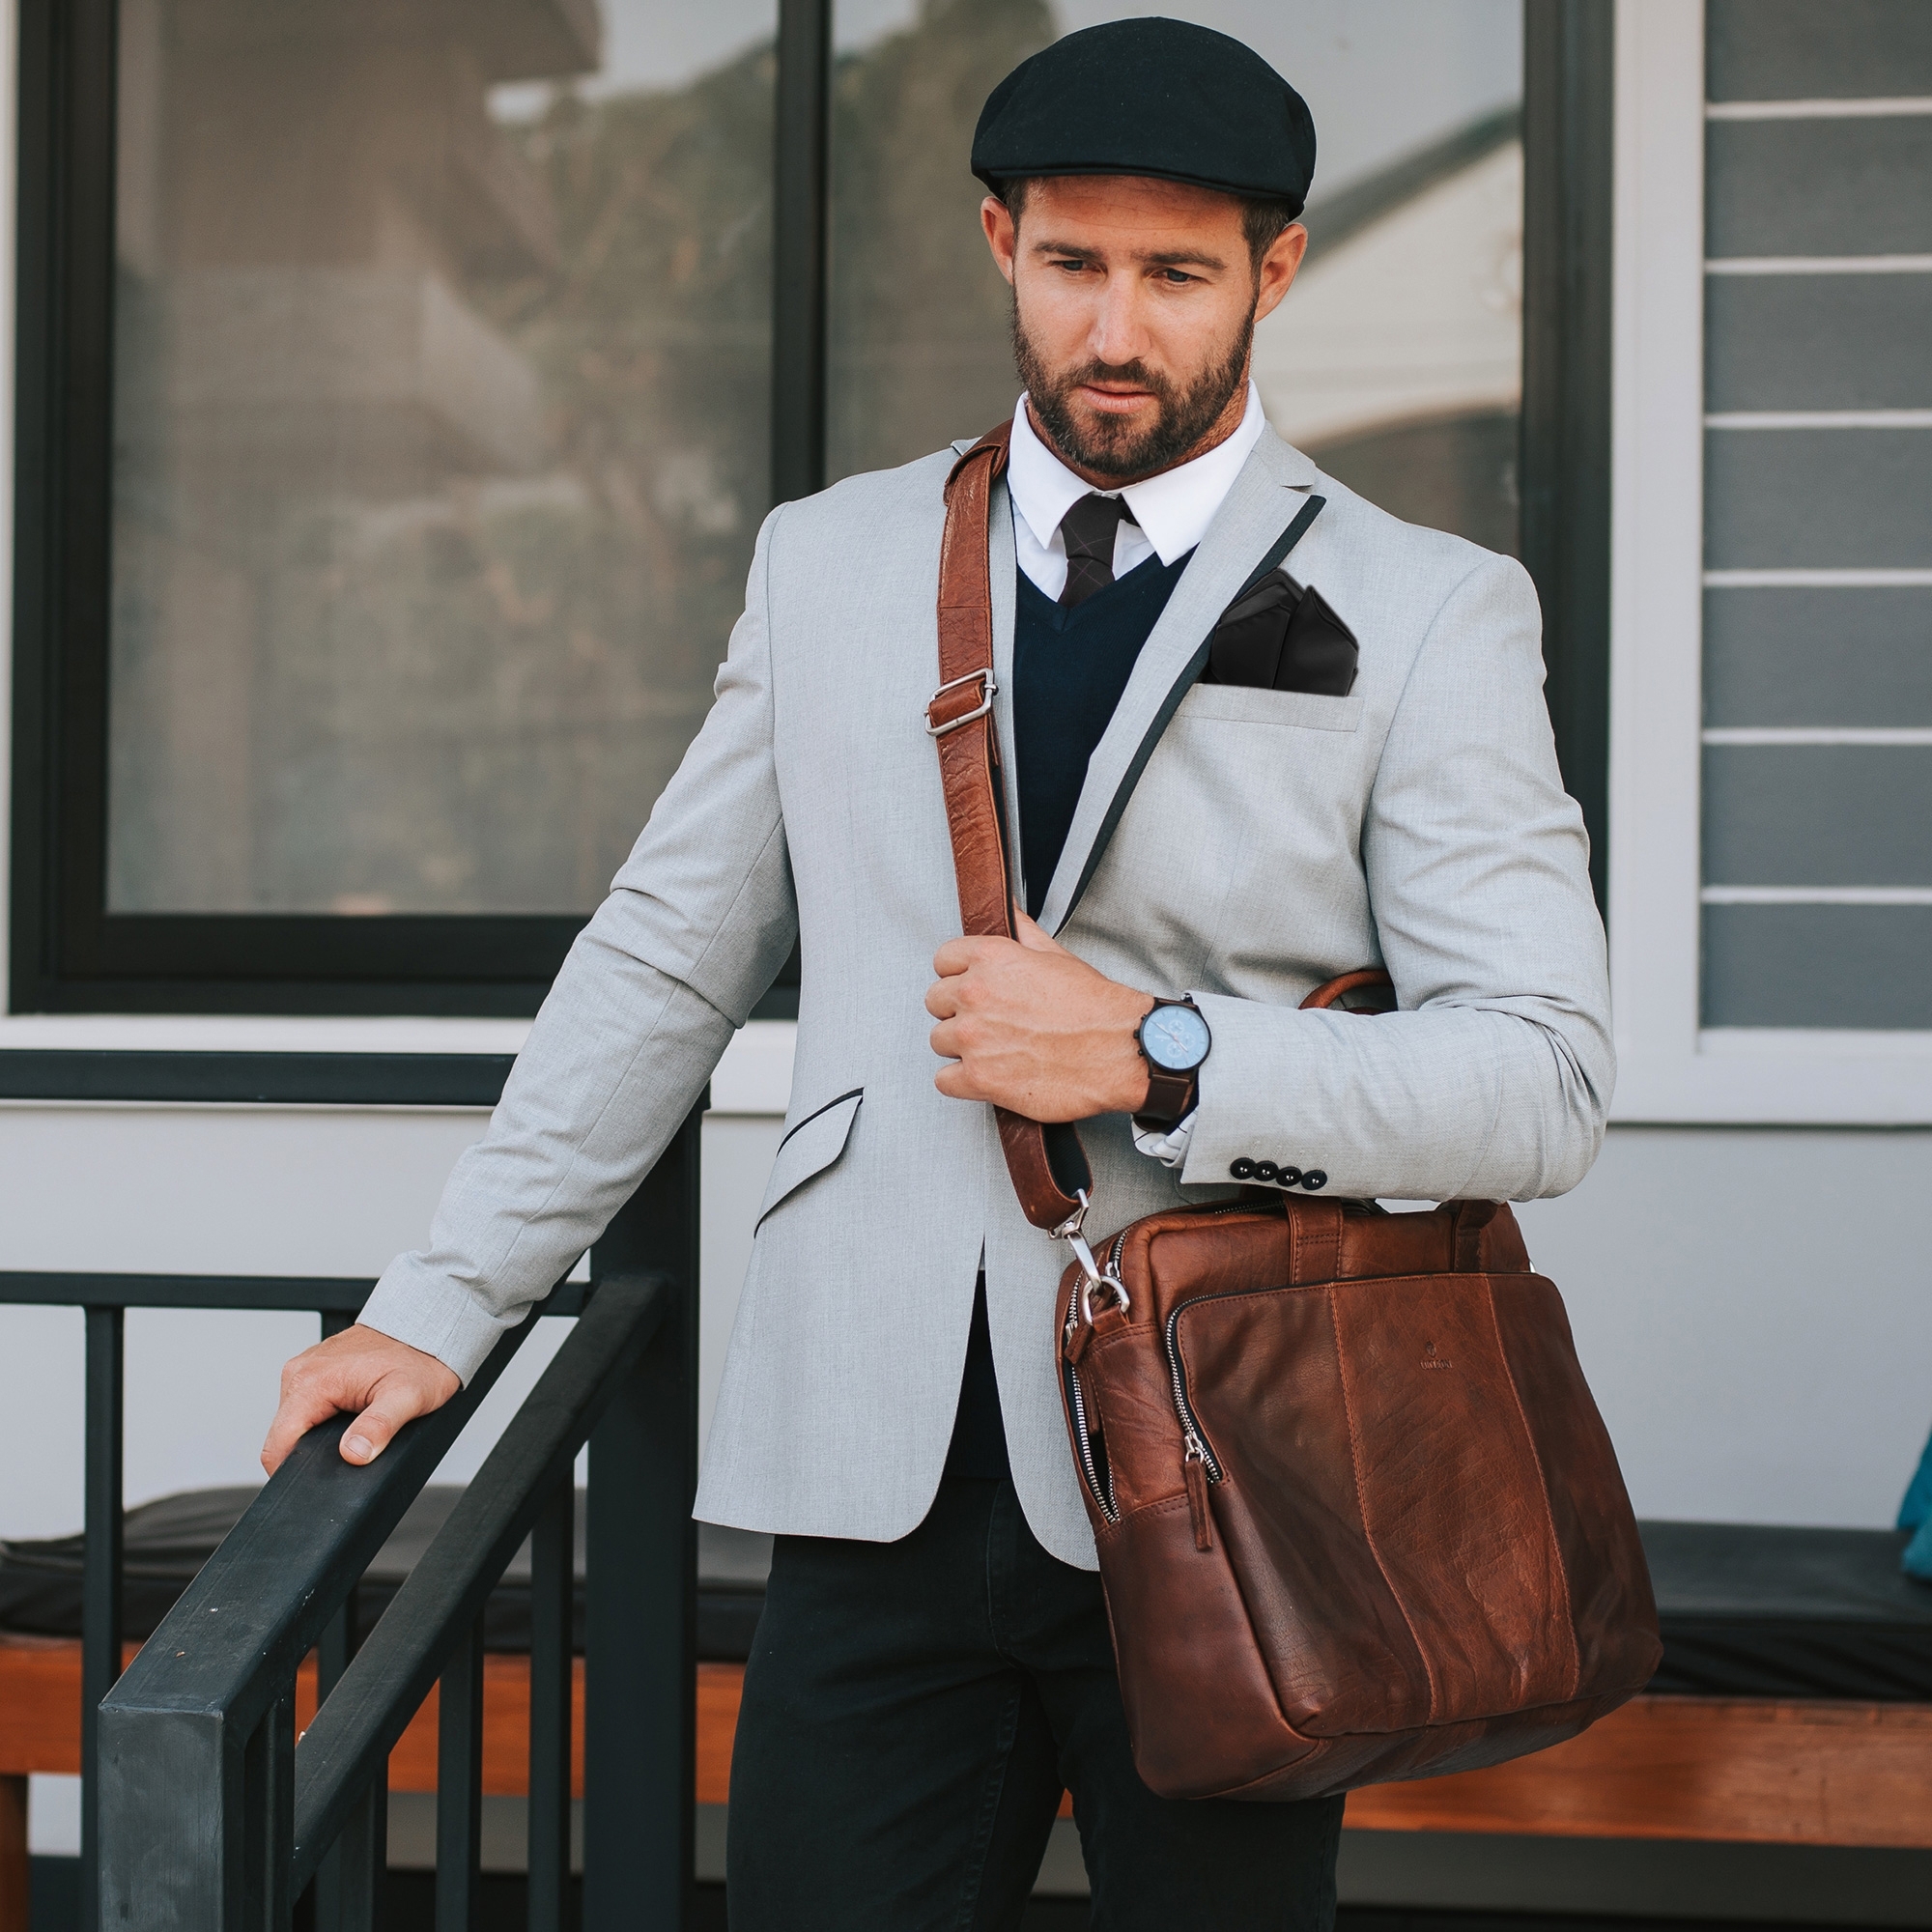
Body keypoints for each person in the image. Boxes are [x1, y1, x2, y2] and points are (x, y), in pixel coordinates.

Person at [262, 18, 1611, 1928]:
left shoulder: (1428, 606)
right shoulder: (826, 561)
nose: (1114, 330)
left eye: (1176, 274)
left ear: (1277, 268)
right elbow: (663, 958)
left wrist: (1154, 1050)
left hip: (1238, 1464)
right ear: (998, 243)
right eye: (1071, 264)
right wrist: (445, 1299)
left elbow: (1542, 1078)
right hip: (867, 1460)